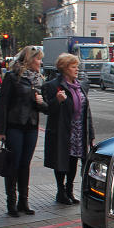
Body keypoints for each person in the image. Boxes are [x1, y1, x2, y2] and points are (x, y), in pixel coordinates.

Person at [0, 46, 48, 217]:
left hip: (31, 127)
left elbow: (45, 108)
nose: (41, 62)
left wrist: (40, 102)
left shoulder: (37, 80)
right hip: (14, 126)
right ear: (30, 59)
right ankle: (11, 202)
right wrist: (0, 131)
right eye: (38, 59)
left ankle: (23, 202)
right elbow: (2, 104)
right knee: (13, 164)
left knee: (25, 164)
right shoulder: (12, 77)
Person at [42, 53, 95, 205]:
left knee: (73, 160)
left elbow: (87, 111)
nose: (76, 69)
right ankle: (61, 191)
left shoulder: (81, 86)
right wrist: (57, 101)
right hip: (62, 130)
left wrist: (90, 133)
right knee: (61, 160)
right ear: (64, 69)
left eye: (77, 66)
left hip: (78, 130)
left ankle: (69, 191)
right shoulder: (52, 86)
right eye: (73, 67)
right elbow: (47, 110)